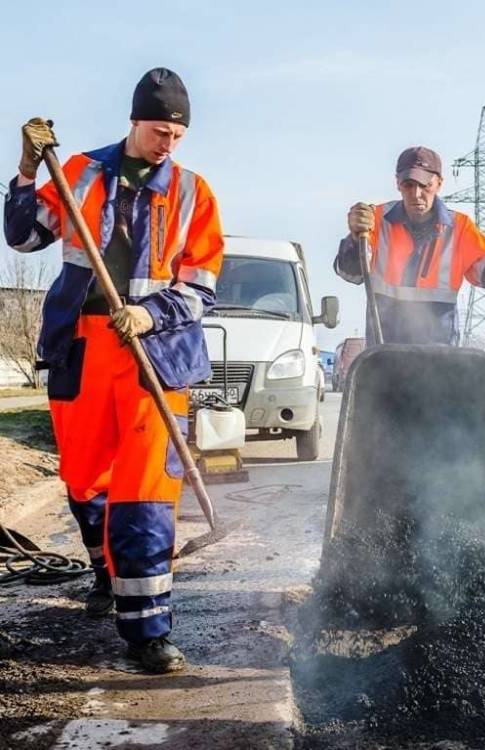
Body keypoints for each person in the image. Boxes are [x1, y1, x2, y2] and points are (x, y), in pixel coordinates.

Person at [3, 68, 224, 674]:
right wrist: (26, 171)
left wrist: (150, 316)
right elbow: (21, 240)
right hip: (83, 350)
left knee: (147, 487)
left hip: (156, 355)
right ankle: (109, 568)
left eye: (177, 134)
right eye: (160, 130)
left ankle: (149, 632)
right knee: (85, 476)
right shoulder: (76, 172)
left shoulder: (192, 192)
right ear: (134, 122)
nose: (168, 143)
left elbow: (201, 285)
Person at [335, 146, 485, 344]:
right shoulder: (376, 221)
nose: (416, 193)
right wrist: (354, 237)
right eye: (409, 185)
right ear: (398, 183)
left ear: (439, 183)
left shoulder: (460, 229)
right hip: (383, 354)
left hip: (440, 359)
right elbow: (350, 274)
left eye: (425, 185)